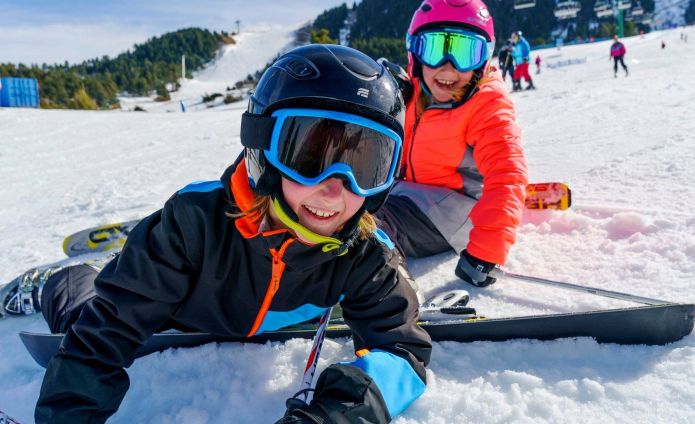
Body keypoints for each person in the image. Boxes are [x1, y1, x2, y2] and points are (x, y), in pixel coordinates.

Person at [34, 44, 432, 424]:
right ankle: (61, 280)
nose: (335, 189)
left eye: (365, 167)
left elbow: (401, 353)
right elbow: (107, 331)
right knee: (81, 312)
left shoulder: (366, 253)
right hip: (177, 311)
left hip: (264, 315)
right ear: (263, 149)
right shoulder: (194, 222)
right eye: (310, 158)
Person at [376, 0, 528, 288]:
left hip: (453, 212)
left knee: (369, 226)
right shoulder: (413, 91)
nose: (448, 68)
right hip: (407, 193)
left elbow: (507, 172)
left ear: (484, 58)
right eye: (434, 49)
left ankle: (373, 288)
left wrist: (487, 249)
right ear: (415, 54)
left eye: (464, 52)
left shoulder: (487, 104)